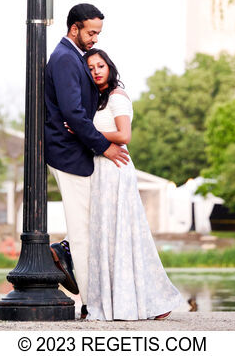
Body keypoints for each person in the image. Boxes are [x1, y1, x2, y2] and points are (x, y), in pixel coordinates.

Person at [82, 47, 184, 321]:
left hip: (116, 169)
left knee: (125, 233)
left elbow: (124, 135)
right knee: (109, 235)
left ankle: (155, 300)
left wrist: (87, 132)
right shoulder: (99, 101)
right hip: (101, 168)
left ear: (109, 67)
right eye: (90, 68)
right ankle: (117, 302)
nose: (96, 72)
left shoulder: (117, 96)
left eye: (100, 66)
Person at [44, 3, 129, 313]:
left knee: (89, 227)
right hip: (69, 155)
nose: (95, 38)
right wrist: (103, 146)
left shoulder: (73, 57)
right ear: (74, 28)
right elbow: (73, 113)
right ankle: (93, 305)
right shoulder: (65, 58)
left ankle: (93, 295)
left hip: (75, 152)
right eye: (91, 32)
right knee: (82, 232)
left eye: (98, 33)